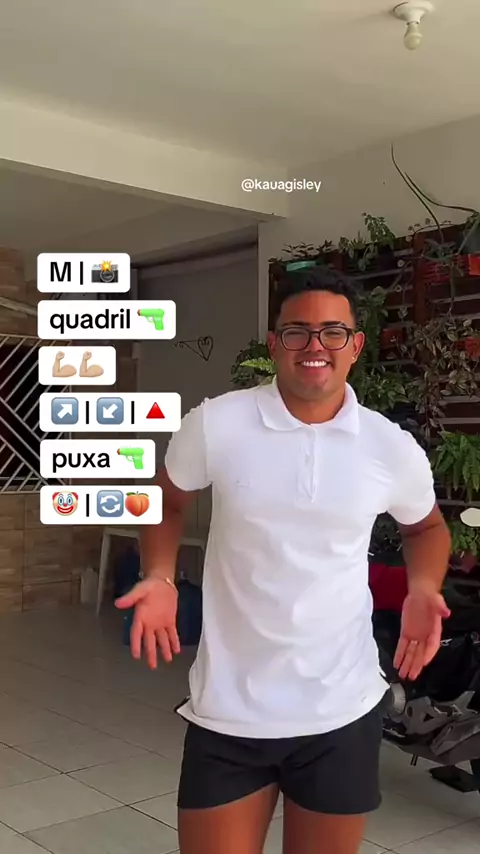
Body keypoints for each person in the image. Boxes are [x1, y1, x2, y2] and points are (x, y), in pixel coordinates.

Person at [116, 267, 451, 854]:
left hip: (341, 709)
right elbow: (167, 499)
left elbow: (425, 526)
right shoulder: (218, 423)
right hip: (229, 712)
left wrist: (423, 588)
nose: (315, 345)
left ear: (355, 346)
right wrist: (160, 575)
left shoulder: (387, 446)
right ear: (275, 344)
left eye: (333, 332)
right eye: (297, 331)